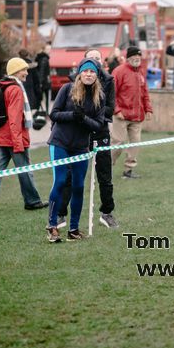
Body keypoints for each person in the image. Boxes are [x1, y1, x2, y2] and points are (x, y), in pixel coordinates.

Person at [57, 48, 118, 229]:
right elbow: (64, 110)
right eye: (90, 60)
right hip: (78, 134)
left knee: (105, 175)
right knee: (69, 174)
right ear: (84, 63)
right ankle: (61, 214)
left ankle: (107, 213)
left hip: (99, 131)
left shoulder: (108, 81)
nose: (94, 63)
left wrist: (91, 114)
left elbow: (109, 109)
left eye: (97, 60)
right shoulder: (72, 83)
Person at [46, 58, 105, 242]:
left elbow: (98, 125)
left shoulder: (99, 97)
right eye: (86, 71)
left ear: (96, 75)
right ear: (80, 73)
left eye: (92, 72)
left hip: (81, 147)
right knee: (61, 182)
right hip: (60, 143)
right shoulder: (67, 89)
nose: (89, 74)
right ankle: (52, 226)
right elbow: (53, 114)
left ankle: (73, 229)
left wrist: (83, 119)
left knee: (79, 186)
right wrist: (72, 115)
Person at [0, 58, 48, 212]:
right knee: (25, 171)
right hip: (14, 139)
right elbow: (14, 119)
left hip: (0, 138)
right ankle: (32, 201)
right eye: (23, 70)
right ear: (14, 72)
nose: (26, 72)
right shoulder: (16, 89)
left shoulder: (4, 85)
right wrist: (18, 143)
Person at [111, 46, 153, 179]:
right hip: (121, 115)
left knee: (135, 143)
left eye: (138, 56)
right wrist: (116, 110)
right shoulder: (118, 71)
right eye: (134, 56)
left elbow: (145, 92)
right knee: (118, 144)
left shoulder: (140, 72)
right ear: (128, 58)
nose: (137, 58)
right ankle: (105, 167)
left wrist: (148, 109)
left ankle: (128, 171)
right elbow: (111, 94)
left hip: (137, 116)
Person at [35, 43, 51, 113]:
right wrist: (41, 82)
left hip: (41, 81)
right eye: (48, 49)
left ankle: (40, 111)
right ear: (44, 50)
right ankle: (46, 112)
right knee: (46, 97)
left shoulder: (40, 58)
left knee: (40, 97)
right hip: (44, 82)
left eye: (50, 49)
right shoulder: (44, 59)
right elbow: (42, 71)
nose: (49, 50)